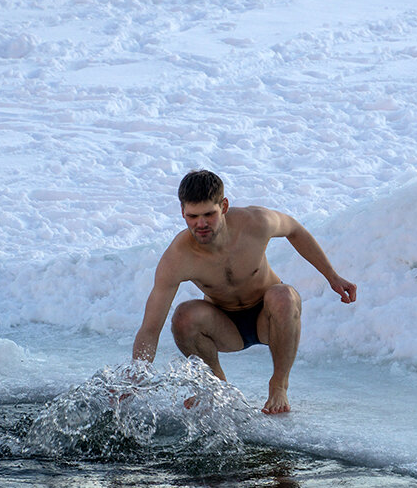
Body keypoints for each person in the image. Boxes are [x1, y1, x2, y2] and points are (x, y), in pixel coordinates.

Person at [133, 170, 356, 414]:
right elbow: (150, 328)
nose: (201, 224)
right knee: (183, 316)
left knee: (283, 295)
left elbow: (295, 230)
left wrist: (332, 277)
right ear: (182, 213)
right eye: (192, 216)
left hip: (269, 319)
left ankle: (279, 385)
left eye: (209, 214)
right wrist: (135, 377)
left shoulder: (255, 222)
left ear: (224, 206)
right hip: (226, 327)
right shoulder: (178, 257)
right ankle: (216, 388)